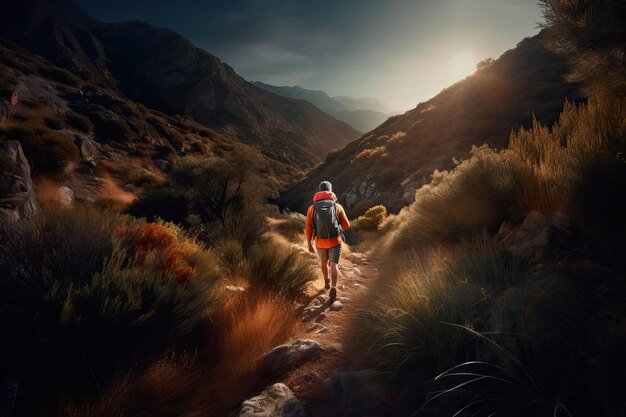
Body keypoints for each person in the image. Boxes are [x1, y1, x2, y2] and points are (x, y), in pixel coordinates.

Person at [305, 181, 350, 302]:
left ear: (319, 192)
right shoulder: (337, 206)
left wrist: (309, 244)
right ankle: (334, 288)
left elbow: (308, 228)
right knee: (334, 265)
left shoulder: (312, 208)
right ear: (330, 191)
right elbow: (347, 225)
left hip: (320, 242)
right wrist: (338, 228)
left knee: (324, 262)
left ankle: (326, 282)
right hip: (335, 241)